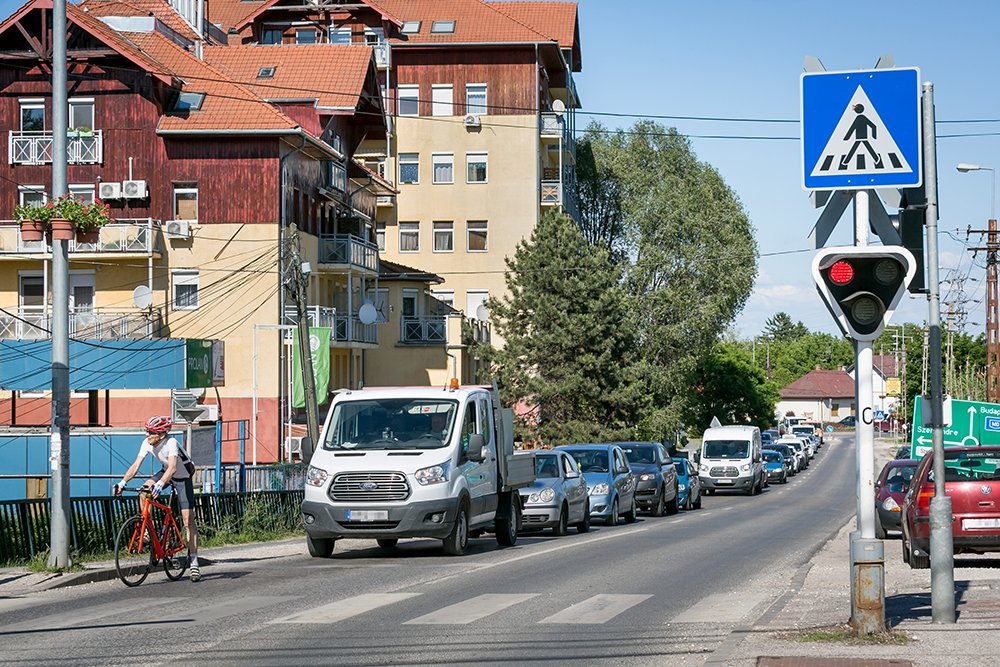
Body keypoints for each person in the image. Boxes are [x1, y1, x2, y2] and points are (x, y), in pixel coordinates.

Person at [114, 416, 201, 582]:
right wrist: (122, 482)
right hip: (165, 472)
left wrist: (161, 484)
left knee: (188, 520)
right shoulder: (147, 442)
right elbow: (136, 465)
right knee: (143, 491)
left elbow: (173, 467)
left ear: (162, 434)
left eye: (151, 432)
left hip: (182, 478)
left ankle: (194, 562)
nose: (147, 434)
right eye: (146, 431)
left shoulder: (171, 443)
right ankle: (148, 531)